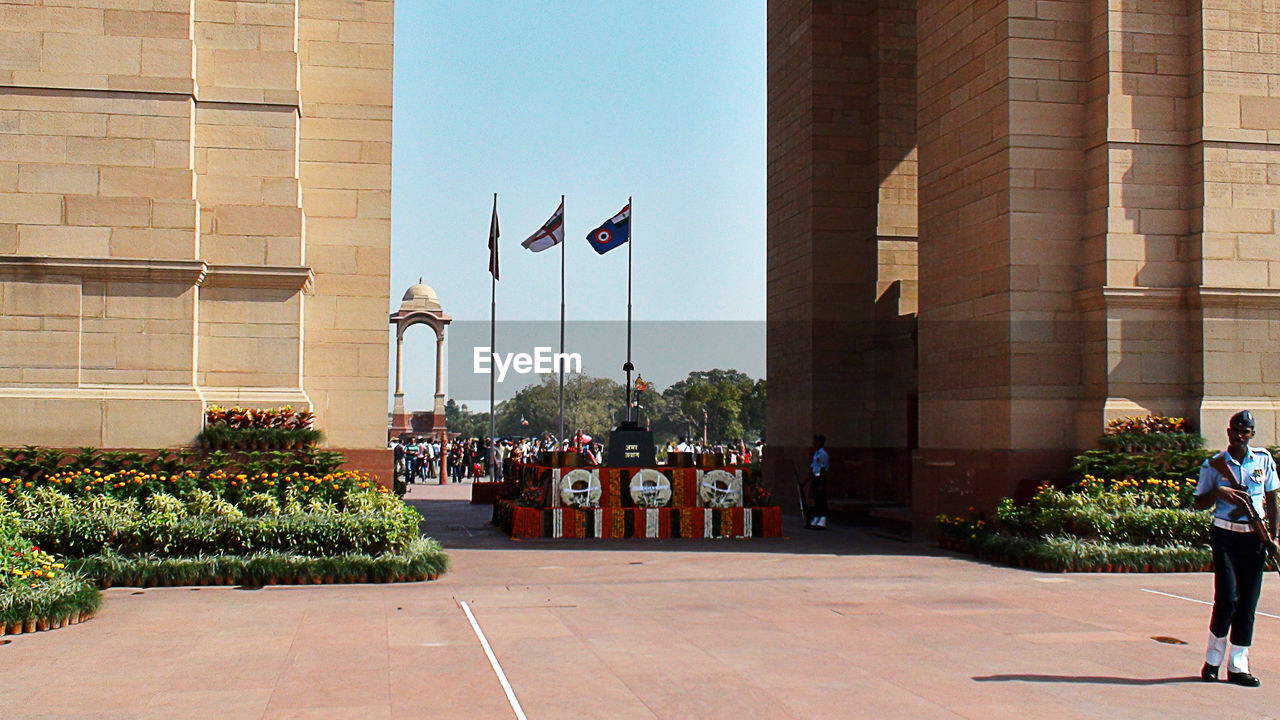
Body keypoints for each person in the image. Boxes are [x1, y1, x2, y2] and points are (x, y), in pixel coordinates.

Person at [1195, 410, 1279, 687]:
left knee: (1248, 603)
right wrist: (1219, 492)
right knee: (1227, 599)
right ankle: (1213, 661)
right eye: (1236, 431)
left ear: (1252, 434)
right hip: (1225, 536)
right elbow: (1200, 503)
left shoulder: (1263, 460)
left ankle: (1238, 665)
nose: (1241, 436)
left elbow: (1271, 498)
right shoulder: (1214, 465)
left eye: (1246, 431)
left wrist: (1273, 538)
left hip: (1254, 538)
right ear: (1228, 432)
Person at [807, 434, 829, 530]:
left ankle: (823, 519)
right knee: (816, 499)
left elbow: (823, 469)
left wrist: (821, 483)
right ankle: (817, 517)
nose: (814, 443)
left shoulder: (823, 454)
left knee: (821, 500)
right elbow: (813, 467)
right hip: (815, 477)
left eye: (816, 441)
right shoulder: (816, 454)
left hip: (820, 478)